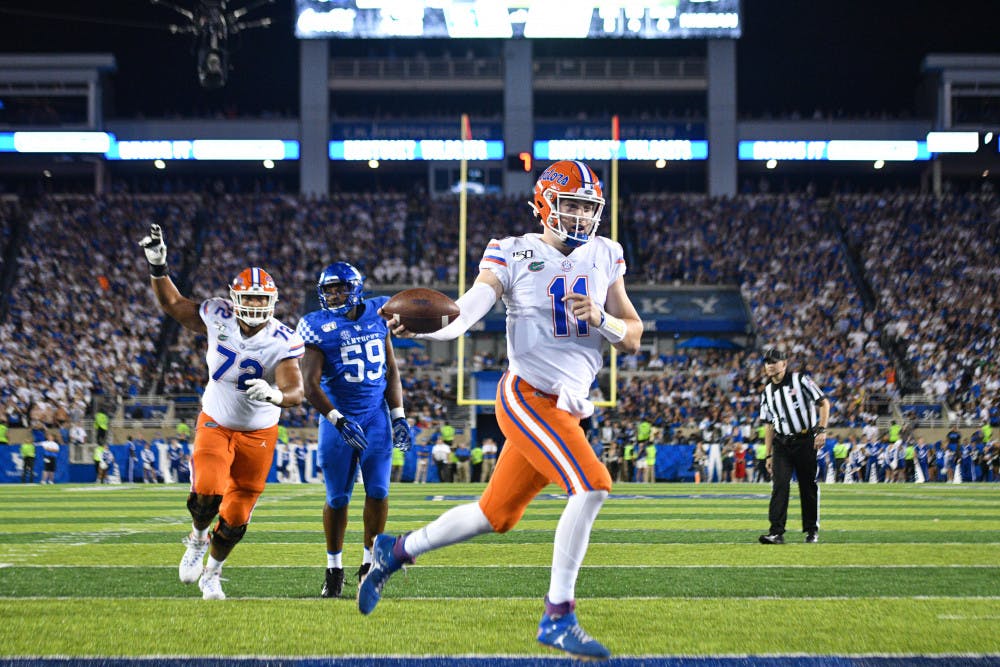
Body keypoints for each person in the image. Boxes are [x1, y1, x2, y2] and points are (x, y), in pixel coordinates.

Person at [359, 160, 643, 660]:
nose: (579, 216)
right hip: (527, 394)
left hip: (571, 406)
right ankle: (559, 615)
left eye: (587, 207)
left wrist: (605, 320)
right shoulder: (512, 251)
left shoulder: (607, 253)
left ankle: (395, 550)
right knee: (594, 484)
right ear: (543, 205)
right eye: (570, 205)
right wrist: (427, 328)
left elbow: (634, 337)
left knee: (496, 514)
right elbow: (463, 313)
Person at [140, 223, 305, 601]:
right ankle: (197, 537)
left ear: (274, 301)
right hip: (216, 420)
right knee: (208, 489)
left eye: (264, 300)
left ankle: (212, 573)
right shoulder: (217, 315)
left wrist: (276, 395)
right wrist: (158, 266)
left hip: (259, 432)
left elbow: (295, 388)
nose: (258, 305)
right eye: (251, 297)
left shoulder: (283, 338)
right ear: (234, 297)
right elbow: (173, 306)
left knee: (237, 517)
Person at [295, 261, 411, 599]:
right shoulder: (316, 326)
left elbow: (391, 370)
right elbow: (309, 385)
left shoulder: (380, 311)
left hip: (376, 419)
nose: (334, 295)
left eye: (340, 288)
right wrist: (338, 420)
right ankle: (333, 568)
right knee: (337, 497)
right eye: (328, 289)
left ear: (356, 288)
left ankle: (368, 565)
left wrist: (399, 416)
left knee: (378, 491)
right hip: (338, 419)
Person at [757, 347, 830, 545]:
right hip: (782, 443)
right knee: (779, 486)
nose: (770, 366)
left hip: (804, 440)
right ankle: (776, 532)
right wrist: (768, 454)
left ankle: (811, 530)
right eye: (767, 362)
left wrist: (821, 430)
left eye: (774, 361)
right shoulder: (767, 392)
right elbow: (768, 425)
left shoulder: (800, 380)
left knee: (807, 486)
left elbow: (824, 403)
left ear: (784, 364)